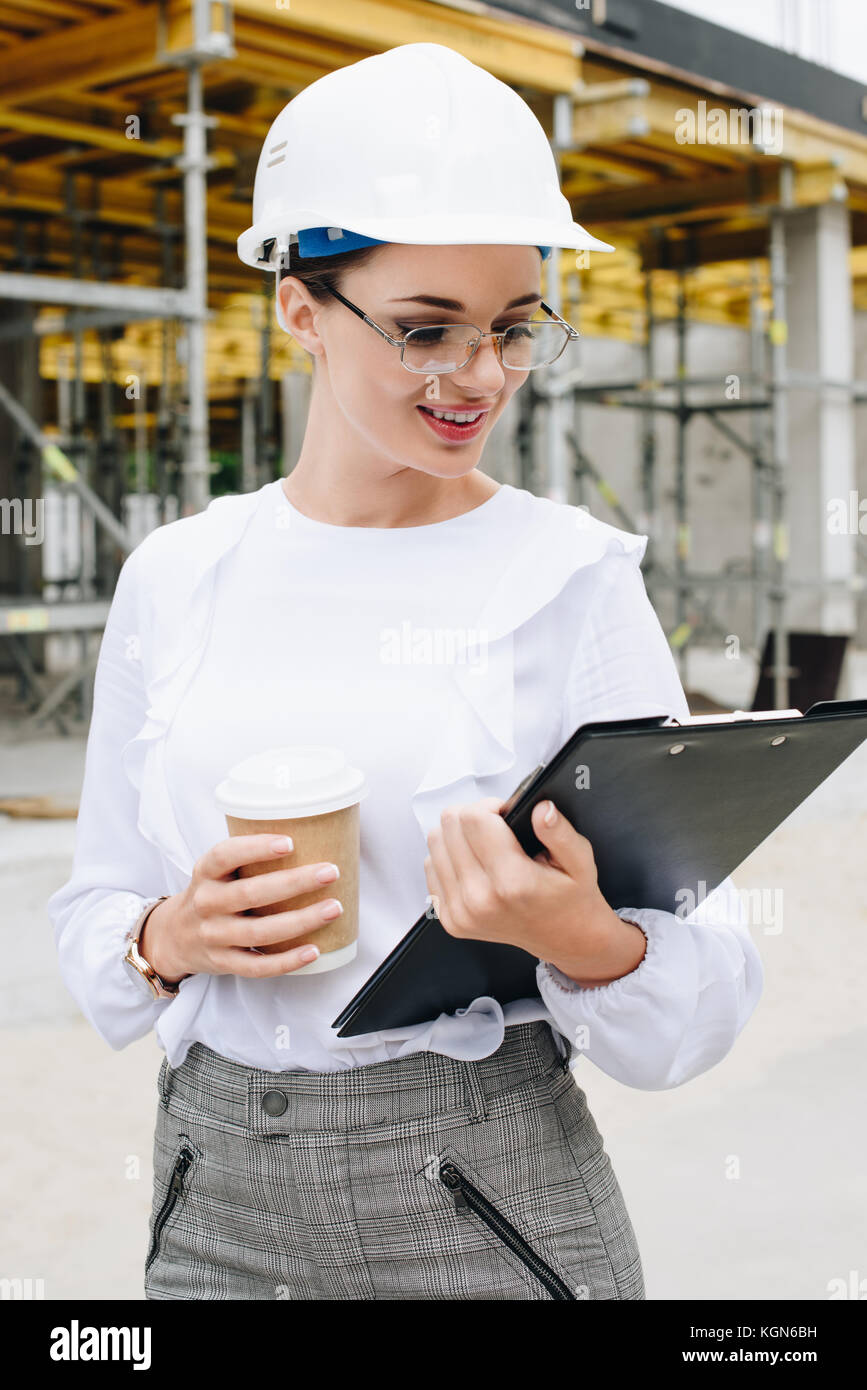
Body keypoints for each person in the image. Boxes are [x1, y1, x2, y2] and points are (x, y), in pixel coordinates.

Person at [47, 42, 763, 1301]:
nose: (480, 376)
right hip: (209, 1196)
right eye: (429, 330)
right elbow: (94, 910)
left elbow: (703, 977)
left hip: (482, 1197)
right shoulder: (178, 574)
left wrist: (580, 937)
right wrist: (167, 935)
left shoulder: (569, 578)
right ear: (301, 310)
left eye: (513, 327)